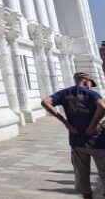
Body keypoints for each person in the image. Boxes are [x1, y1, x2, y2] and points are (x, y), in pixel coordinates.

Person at [41, 71, 105, 199]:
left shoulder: (65, 93)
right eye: (90, 84)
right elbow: (103, 106)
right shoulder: (91, 93)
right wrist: (93, 124)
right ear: (87, 81)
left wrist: (65, 122)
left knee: (82, 176)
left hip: (77, 141)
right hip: (97, 141)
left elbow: (45, 102)